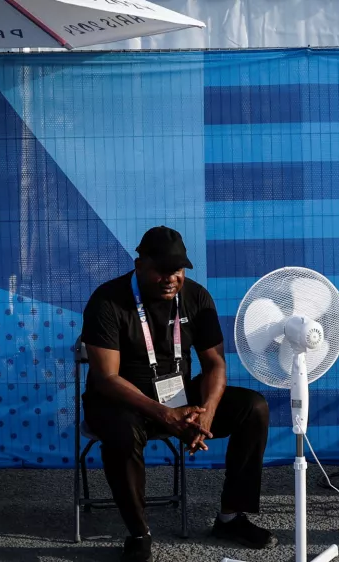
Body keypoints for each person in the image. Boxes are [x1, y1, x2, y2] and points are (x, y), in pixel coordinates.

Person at [80, 226, 277, 562]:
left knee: (253, 408)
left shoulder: (197, 298)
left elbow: (215, 364)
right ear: (139, 264)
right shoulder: (108, 301)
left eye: (178, 270)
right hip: (121, 402)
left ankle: (231, 517)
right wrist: (163, 414)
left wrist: (207, 413)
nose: (171, 278)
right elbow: (106, 378)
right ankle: (138, 533)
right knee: (122, 433)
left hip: (179, 401)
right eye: (162, 270)